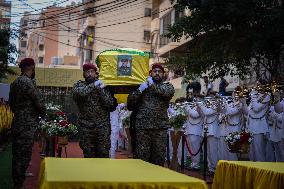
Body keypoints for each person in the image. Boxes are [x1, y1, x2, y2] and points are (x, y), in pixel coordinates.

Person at [127, 63, 175, 166]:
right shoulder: (142, 86)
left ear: (163, 74)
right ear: (150, 73)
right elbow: (130, 104)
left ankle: (157, 182)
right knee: (142, 160)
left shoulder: (167, 86)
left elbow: (165, 93)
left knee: (158, 159)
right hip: (143, 129)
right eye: (155, 71)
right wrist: (140, 90)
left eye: (160, 72)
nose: (157, 73)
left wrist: (152, 85)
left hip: (159, 129)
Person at [9, 58, 45, 189]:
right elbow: (39, 102)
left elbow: (11, 105)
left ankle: (16, 181)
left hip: (17, 122)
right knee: (24, 155)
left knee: (17, 154)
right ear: (32, 68)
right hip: (27, 125)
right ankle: (19, 184)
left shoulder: (15, 83)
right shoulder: (28, 82)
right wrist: (43, 113)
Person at [72, 63, 117, 158]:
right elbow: (80, 94)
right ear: (83, 74)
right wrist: (94, 85)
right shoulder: (79, 85)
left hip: (102, 127)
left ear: (96, 73)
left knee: (103, 154)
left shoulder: (103, 86)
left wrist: (101, 89)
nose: (90, 74)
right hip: (86, 127)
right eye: (87, 72)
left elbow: (110, 105)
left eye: (92, 71)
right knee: (88, 155)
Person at [245, 82, 270, 161]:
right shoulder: (256, 97)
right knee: (251, 151)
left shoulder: (266, 96)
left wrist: (253, 97)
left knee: (259, 151)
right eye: (257, 86)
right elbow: (248, 111)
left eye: (259, 85)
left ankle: (261, 168)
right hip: (251, 126)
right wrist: (242, 101)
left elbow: (256, 109)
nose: (257, 87)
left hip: (259, 126)